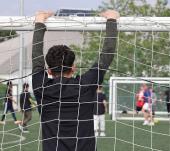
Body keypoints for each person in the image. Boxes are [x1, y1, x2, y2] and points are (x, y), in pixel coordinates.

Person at [32, 10, 119, 151]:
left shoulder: (41, 87)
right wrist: (111, 20)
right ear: (73, 68)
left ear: (48, 70)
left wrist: (40, 20)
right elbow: (107, 54)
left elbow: (36, 58)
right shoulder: (85, 84)